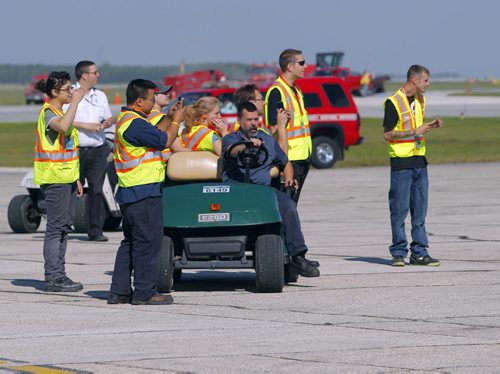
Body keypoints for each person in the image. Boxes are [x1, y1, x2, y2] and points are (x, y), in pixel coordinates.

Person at [108, 79, 184, 305]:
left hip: (132, 191)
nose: (154, 102)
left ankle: (119, 292)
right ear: (139, 101)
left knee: (131, 242)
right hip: (143, 191)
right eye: (151, 99)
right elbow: (164, 140)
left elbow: (155, 133)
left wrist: (169, 118)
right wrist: (177, 122)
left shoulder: (130, 119)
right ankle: (144, 292)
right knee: (148, 243)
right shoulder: (135, 124)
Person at [222, 102, 320, 278]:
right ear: (239, 120)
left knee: (288, 205)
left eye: (255, 119)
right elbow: (232, 151)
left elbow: (285, 162)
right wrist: (247, 146)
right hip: (235, 192)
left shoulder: (267, 139)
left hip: (262, 192)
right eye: (249, 120)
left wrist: (289, 178)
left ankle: (298, 256)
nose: (253, 123)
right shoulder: (231, 139)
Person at [383, 65, 444, 267]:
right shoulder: (393, 102)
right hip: (401, 163)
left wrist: (429, 126)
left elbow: (416, 128)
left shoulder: (420, 99)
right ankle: (399, 252)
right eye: (426, 80)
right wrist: (414, 131)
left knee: (420, 210)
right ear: (415, 80)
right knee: (399, 210)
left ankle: (419, 252)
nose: (428, 83)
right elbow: (388, 134)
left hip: (419, 160)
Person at [33, 72, 86, 292]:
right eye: (67, 89)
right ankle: (53, 277)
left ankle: (60, 274)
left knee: (64, 228)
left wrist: (76, 179)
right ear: (55, 92)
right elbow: (63, 127)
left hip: (66, 179)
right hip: (54, 180)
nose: (71, 93)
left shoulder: (60, 112)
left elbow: (68, 148)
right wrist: (75, 103)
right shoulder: (48, 113)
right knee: (55, 229)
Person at [64, 61, 114, 242]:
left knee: (96, 190)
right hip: (75, 150)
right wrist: (86, 126)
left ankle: (95, 230)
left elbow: (109, 117)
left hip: (98, 150)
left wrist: (106, 124)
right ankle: (65, 225)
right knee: (70, 188)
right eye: (95, 72)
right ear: (84, 75)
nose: (98, 75)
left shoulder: (100, 95)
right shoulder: (70, 95)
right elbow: (64, 120)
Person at [265, 48, 312, 204]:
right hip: (290, 160)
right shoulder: (277, 92)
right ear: (290, 66)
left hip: (303, 157)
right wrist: (285, 163)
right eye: (302, 63)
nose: (305, 66)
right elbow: (274, 129)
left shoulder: (296, 90)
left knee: (292, 205)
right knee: (286, 206)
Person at [148, 85, 189, 162]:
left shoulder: (147, 116)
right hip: (163, 165)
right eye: (164, 93)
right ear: (153, 96)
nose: (168, 95)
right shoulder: (163, 118)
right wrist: (202, 153)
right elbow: (178, 148)